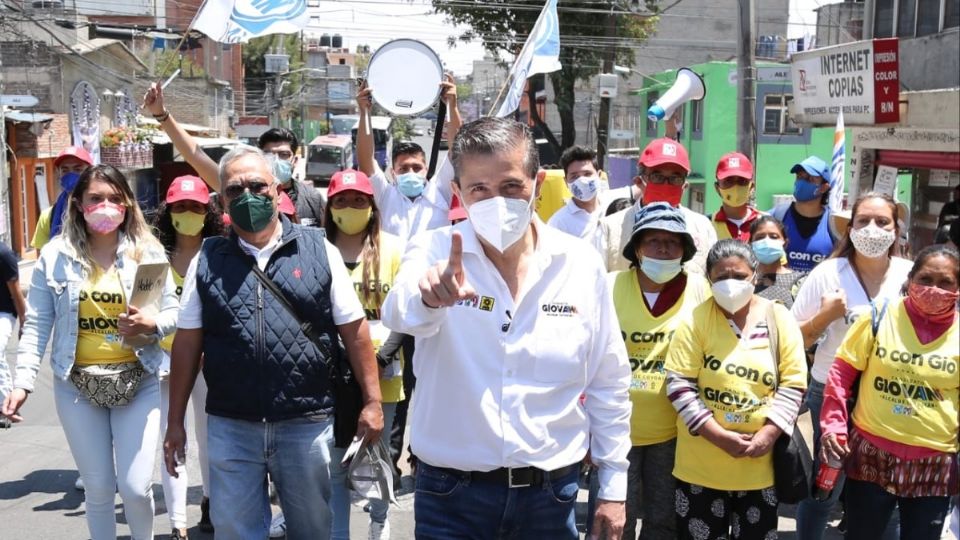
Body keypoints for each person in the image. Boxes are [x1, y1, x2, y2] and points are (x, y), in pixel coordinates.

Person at [382, 117, 631, 539]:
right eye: (479, 189)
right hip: (451, 496)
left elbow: (608, 381)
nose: (496, 201)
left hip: (551, 498)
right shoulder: (435, 250)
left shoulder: (580, 263)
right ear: (458, 192)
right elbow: (399, 312)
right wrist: (430, 298)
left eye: (512, 186)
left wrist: (613, 487)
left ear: (537, 183)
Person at [162, 145, 383, 540]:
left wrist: (373, 402)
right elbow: (187, 345)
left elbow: (355, 330)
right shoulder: (208, 258)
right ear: (222, 200)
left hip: (305, 422)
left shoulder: (319, 249)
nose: (248, 196)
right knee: (235, 532)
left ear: (278, 189)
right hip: (232, 423)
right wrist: (175, 422)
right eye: (235, 189)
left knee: (312, 530)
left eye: (258, 186)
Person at [3, 164, 180, 540]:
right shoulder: (55, 256)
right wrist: (22, 384)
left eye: (115, 199)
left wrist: (154, 325)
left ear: (128, 205)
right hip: (77, 386)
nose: (106, 206)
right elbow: (35, 325)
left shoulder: (147, 253)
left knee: (134, 488)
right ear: (79, 205)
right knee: (99, 490)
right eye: (96, 198)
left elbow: (173, 310)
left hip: (139, 379)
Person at [665, 239, 808, 540]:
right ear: (709, 279)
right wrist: (719, 436)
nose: (731, 284)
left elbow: (794, 382)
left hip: (760, 469)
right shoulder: (695, 320)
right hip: (699, 468)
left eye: (739, 276)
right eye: (721, 277)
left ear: (754, 275)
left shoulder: (778, 316)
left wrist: (767, 435)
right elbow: (679, 384)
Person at [791, 191, 913, 540]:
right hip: (830, 395)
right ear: (850, 228)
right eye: (863, 221)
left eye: (882, 222)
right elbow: (791, 338)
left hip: (888, 398)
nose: (872, 229)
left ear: (895, 229)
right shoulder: (828, 274)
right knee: (824, 488)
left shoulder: (909, 275)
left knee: (885, 490)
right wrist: (824, 317)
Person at [820, 245, 959, 540]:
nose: (934, 289)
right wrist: (833, 426)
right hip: (871, 454)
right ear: (909, 280)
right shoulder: (878, 316)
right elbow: (841, 374)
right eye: (925, 279)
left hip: (934, 463)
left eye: (946, 282)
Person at [611, 202, 711, 539]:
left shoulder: (699, 289)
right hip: (615, 431)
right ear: (637, 247)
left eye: (673, 241)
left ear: (685, 249)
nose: (663, 248)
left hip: (674, 432)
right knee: (613, 520)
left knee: (664, 522)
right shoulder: (610, 285)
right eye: (653, 240)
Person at [323, 169, 405, 540]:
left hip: (383, 370)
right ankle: (338, 532)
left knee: (377, 454)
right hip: (330, 372)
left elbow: (405, 314)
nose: (351, 207)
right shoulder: (316, 248)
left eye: (359, 200)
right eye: (342, 200)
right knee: (335, 461)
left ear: (372, 206)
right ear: (330, 207)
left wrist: (383, 357)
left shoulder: (394, 249)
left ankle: (379, 518)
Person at [142, 84, 327, 225]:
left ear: (294, 160)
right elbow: (195, 155)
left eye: (283, 155)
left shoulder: (312, 199)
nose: (276, 160)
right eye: (269, 154)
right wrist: (161, 115)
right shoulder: (238, 189)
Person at [152, 175, 223, 537]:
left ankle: (210, 501)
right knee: (172, 436)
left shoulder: (220, 252)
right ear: (168, 211)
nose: (188, 213)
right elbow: (142, 308)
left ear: (207, 211)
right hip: (165, 363)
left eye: (196, 207)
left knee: (211, 436)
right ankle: (177, 522)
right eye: (180, 207)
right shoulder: (152, 256)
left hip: (213, 363)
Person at [355, 76, 461, 245]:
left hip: (434, 272)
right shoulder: (385, 196)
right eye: (403, 169)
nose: (411, 172)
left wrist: (451, 106)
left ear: (426, 169)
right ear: (393, 173)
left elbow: (457, 150)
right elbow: (365, 161)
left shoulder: (440, 192)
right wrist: (364, 112)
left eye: (416, 167)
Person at [597, 138, 717, 275]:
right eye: (657, 177)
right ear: (639, 180)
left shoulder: (703, 227)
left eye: (675, 178)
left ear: (685, 185)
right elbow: (595, 285)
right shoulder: (610, 229)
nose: (666, 185)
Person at [769, 156, 837, 273]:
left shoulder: (834, 224)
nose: (801, 182)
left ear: (824, 188)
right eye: (799, 177)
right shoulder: (775, 217)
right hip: (780, 290)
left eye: (809, 179)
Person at [31, 146, 95, 250]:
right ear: (58, 173)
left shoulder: (102, 211)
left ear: (90, 172)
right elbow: (43, 260)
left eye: (78, 169)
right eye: (65, 170)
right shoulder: (47, 216)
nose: (71, 175)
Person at [547, 146, 604, 244]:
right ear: (566, 182)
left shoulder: (610, 207)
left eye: (587, 174)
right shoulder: (558, 223)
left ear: (598, 176)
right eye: (574, 176)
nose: (582, 181)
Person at [751, 215, 807, 308]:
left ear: (785, 243)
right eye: (760, 237)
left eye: (773, 237)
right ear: (751, 243)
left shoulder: (799, 281)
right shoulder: (745, 280)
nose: (766, 241)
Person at [711, 152, 762, 242]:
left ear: (751, 187)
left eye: (742, 181)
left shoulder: (765, 222)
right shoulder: (707, 225)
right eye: (728, 181)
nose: (735, 187)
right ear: (717, 188)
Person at [0, 241, 27, 402]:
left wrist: (24, 321)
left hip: (3, 312)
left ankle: (4, 404)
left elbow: (16, 291)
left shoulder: (4, 254)